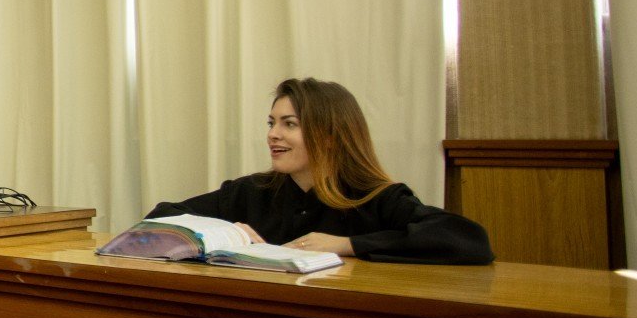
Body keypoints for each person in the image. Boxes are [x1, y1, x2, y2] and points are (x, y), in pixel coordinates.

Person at [146, 77, 493, 264]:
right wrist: (220, 232)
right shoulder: (252, 191)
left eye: (289, 124)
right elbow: (160, 216)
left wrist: (347, 244)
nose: (273, 134)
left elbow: (469, 240)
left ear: (329, 137)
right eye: (271, 123)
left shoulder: (376, 196)